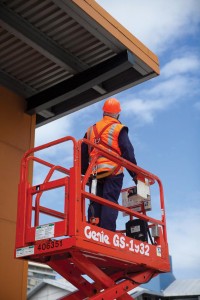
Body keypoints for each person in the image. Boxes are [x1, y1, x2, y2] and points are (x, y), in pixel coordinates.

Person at [81, 98, 137, 232]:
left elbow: (82, 152)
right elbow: (128, 152)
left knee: (95, 201)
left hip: (94, 173)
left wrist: (85, 172)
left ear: (103, 113)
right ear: (118, 114)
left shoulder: (90, 130)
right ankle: (107, 233)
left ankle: (93, 231)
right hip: (113, 171)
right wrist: (135, 175)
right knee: (110, 201)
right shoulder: (119, 128)